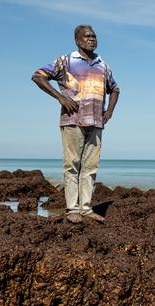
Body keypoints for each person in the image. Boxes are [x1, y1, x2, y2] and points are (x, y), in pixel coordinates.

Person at [32, 24, 120, 223]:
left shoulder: (102, 65)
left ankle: (86, 209)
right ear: (77, 40)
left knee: (90, 168)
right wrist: (60, 98)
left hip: (96, 123)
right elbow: (38, 76)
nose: (92, 39)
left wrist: (109, 112)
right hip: (72, 120)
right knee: (72, 165)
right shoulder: (66, 61)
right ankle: (72, 209)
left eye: (94, 36)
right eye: (87, 36)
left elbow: (115, 89)